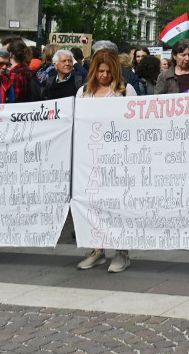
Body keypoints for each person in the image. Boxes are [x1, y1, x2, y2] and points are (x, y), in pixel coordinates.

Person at [75, 48, 137, 274]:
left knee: (118, 204)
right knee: (93, 204)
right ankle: (97, 249)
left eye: (108, 71)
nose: (104, 76)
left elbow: (134, 122)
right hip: (90, 156)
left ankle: (122, 251)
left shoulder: (124, 90)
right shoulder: (84, 92)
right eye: (100, 71)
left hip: (117, 156)